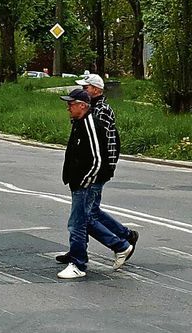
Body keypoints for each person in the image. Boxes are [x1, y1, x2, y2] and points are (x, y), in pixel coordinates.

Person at [56, 73, 139, 266]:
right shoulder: (86, 112)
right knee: (90, 213)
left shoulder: (98, 112)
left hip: (96, 171)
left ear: (96, 90)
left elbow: (101, 146)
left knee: (85, 217)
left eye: (86, 88)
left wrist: (100, 171)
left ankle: (120, 244)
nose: (84, 90)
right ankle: (122, 237)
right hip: (93, 171)